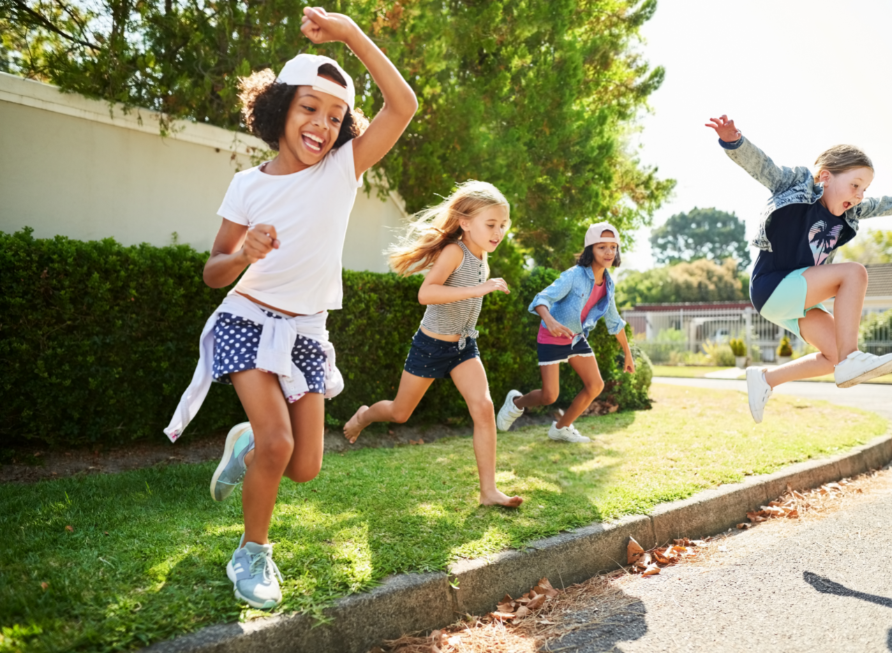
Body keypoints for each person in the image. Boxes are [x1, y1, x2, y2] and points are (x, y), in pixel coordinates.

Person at [163, 7, 417, 609]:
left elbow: (403, 106)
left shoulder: (341, 170)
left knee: (303, 466)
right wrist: (243, 254)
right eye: (309, 108)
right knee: (279, 445)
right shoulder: (247, 186)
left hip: (306, 332)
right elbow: (213, 272)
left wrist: (349, 33)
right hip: (245, 320)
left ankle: (244, 445)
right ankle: (251, 553)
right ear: (278, 107)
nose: (322, 125)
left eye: (335, 116)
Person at [705, 114, 892, 422]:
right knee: (854, 273)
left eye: (864, 189)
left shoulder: (851, 212)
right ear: (825, 177)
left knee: (832, 355)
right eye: (855, 185)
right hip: (772, 287)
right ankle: (852, 358)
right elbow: (763, 166)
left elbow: (881, 204)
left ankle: (766, 379)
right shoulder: (797, 185)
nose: (859, 195)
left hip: (797, 300)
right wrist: (734, 141)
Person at [342, 181, 523, 509]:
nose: (498, 232)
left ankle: (489, 491)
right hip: (431, 346)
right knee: (399, 413)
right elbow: (426, 293)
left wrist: (480, 288)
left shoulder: (482, 254)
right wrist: (479, 289)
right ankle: (364, 416)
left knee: (483, 408)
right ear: (465, 223)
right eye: (491, 224)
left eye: (503, 225)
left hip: (463, 347)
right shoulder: (455, 251)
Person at [496, 223, 635, 442]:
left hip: (576, 338)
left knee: (595, 385)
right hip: (552, 337)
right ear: (590, 249)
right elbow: (541, 299)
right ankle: (515, 403)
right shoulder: (574, 275)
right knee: (549, 396)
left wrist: (628, 353)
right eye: (602, 247)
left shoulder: (608, 285)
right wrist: (550, 321)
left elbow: (614, 321)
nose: (609, 252)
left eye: (613, 247)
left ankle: (561, 428)